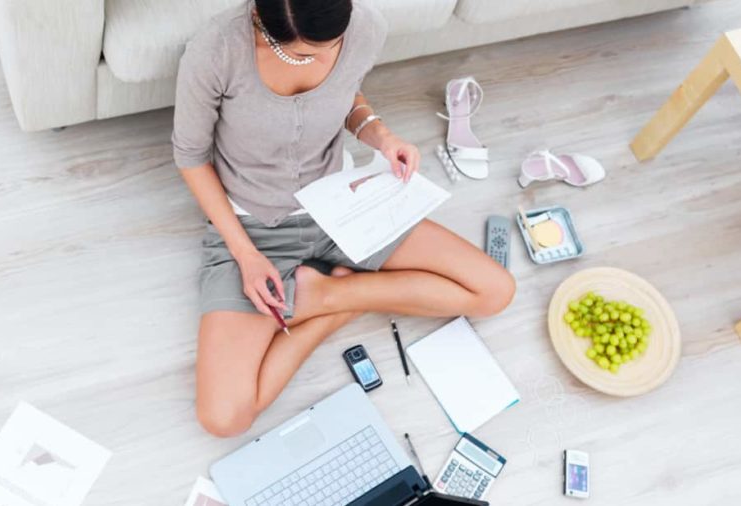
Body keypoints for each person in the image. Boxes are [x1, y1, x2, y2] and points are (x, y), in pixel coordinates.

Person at [173, 0, 515, 437]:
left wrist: (382, 136)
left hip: (343, 206)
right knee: (223, 418)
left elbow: (347, 96)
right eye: (301, 55)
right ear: (262, 18)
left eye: (329, 49)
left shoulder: (365, 24)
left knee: (494, 292)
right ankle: (340, 297)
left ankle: (328, 296)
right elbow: (190, 156)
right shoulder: (216, 49)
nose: (320, 62)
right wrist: (245, 255)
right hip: (253, 228)